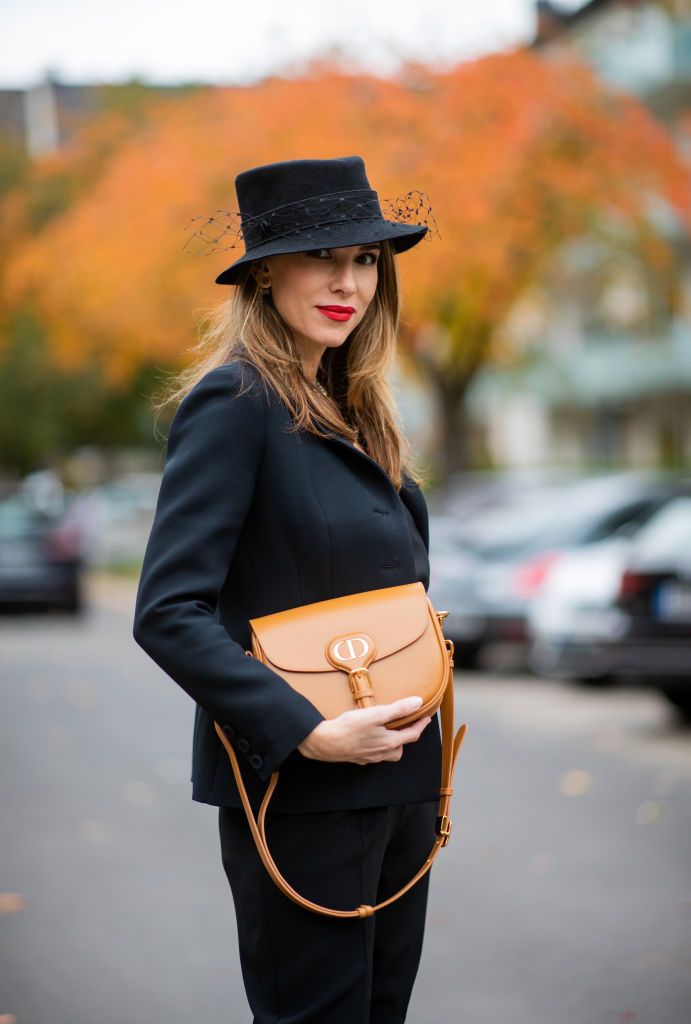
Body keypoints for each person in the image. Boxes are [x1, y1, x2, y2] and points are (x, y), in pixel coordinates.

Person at [132, 154, 443, 1024]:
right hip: (302, 793)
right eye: (323, 258)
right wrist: (306, 731)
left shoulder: (356, 407)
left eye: (366, 261)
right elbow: (168, 613)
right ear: (264, 273)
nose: (348, 282)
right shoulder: (236, 403)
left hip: (402, 786)